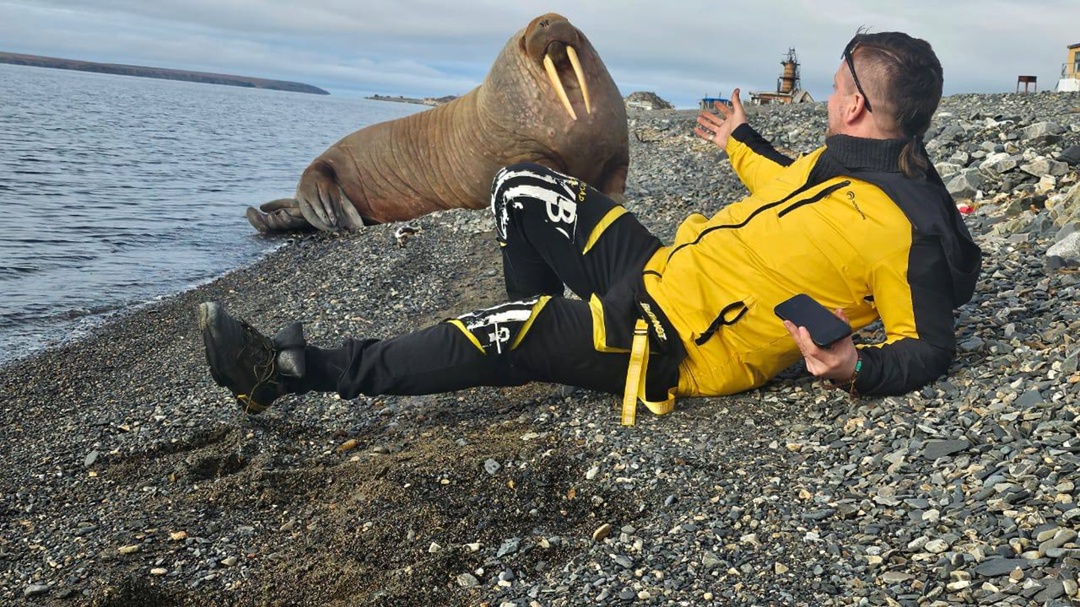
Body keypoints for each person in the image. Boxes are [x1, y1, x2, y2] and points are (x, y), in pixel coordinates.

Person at [198, 31, 981, 423]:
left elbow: (930, 344)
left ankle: (296, 373)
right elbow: (784, 180)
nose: (823, 94)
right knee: (519, 184)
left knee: (513, 326)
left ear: (852, 106)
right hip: (659, 267)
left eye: (836, 85)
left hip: (672, 342)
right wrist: (740, 140)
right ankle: (537, 341)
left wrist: (851, 368)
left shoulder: (904, 230)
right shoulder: (838, 163)